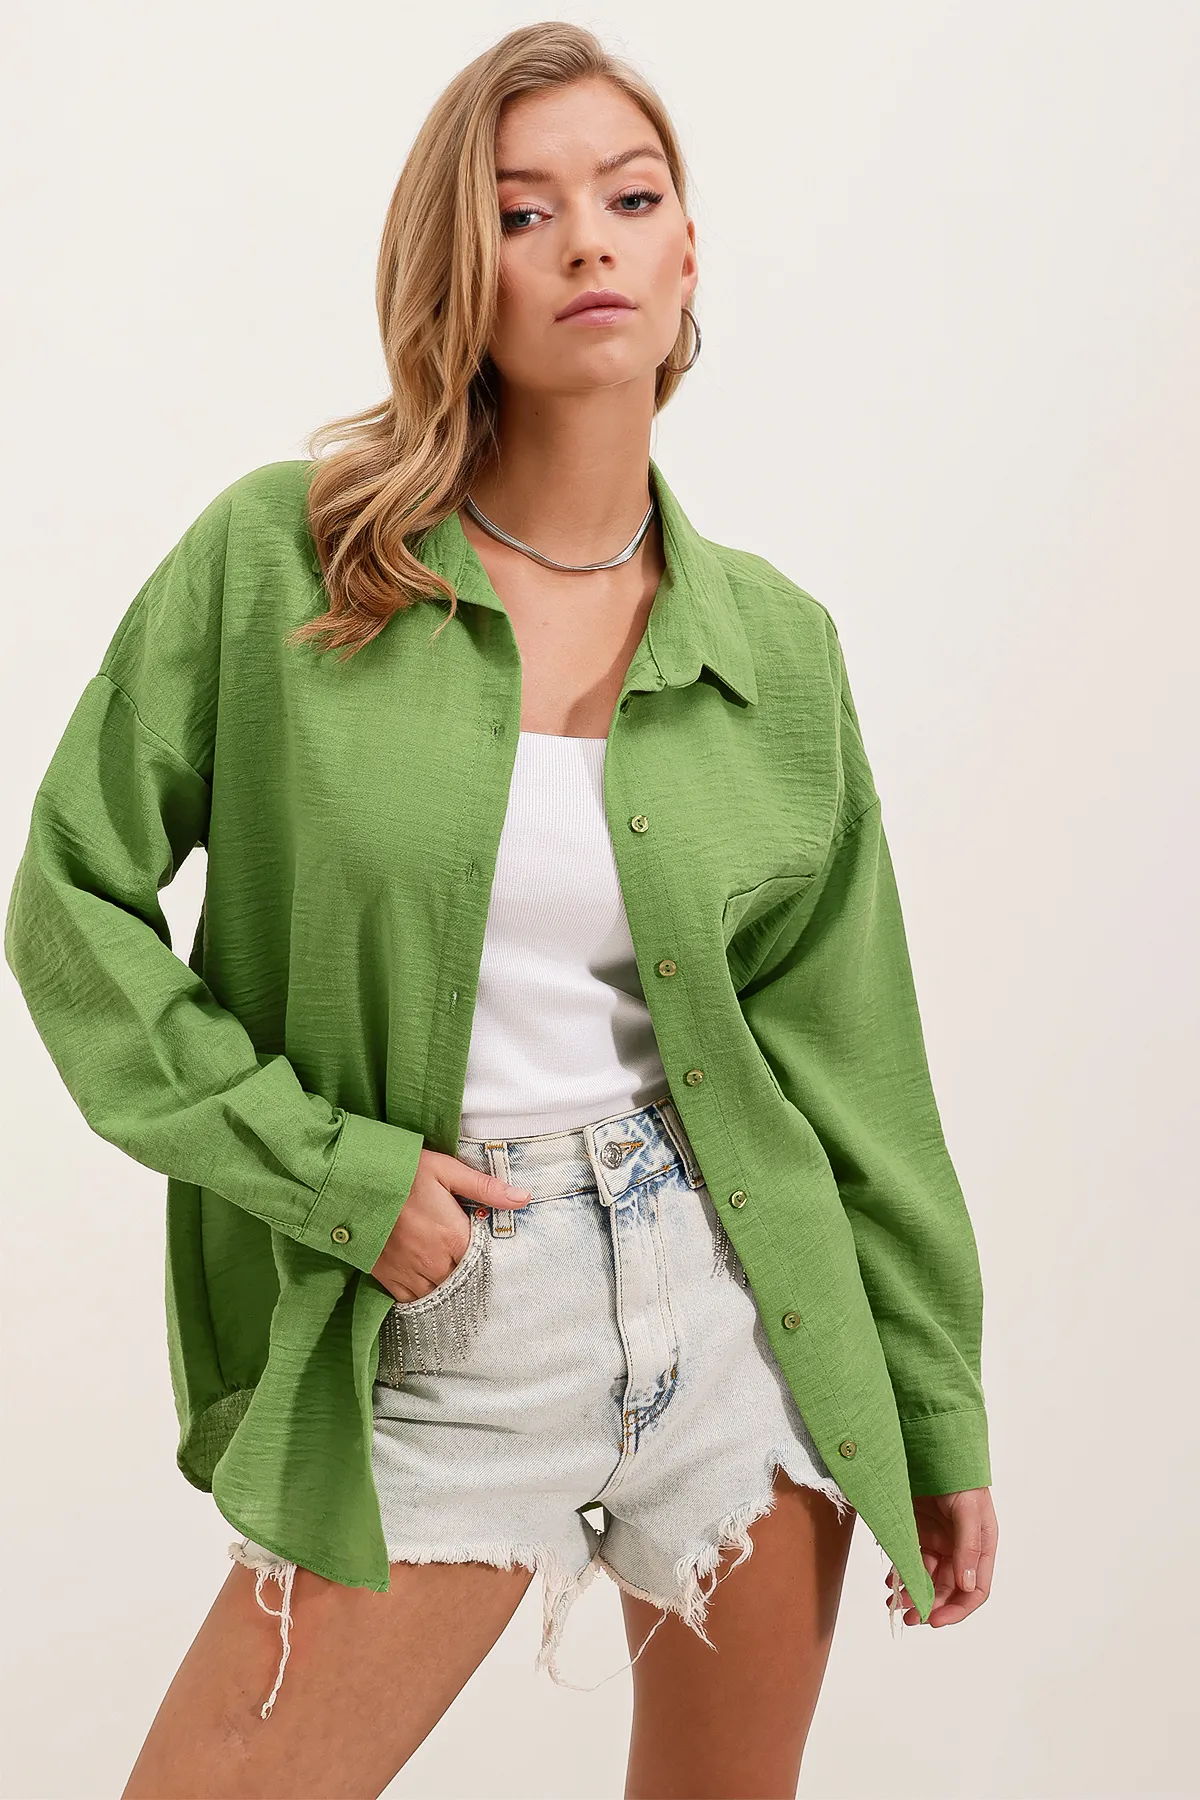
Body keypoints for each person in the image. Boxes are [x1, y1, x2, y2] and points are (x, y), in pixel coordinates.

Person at [4, 21, 998, 1800]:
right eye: (525, 213)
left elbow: (858, 1064)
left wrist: (934, 1403)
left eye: (633, 198)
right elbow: (71, 902)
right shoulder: (286, 563)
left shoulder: (777, 651)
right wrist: (336, 1176)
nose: (589, 242)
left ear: (689, 257)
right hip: (446, 1309)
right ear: (458, 275)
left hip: (748, 1313)